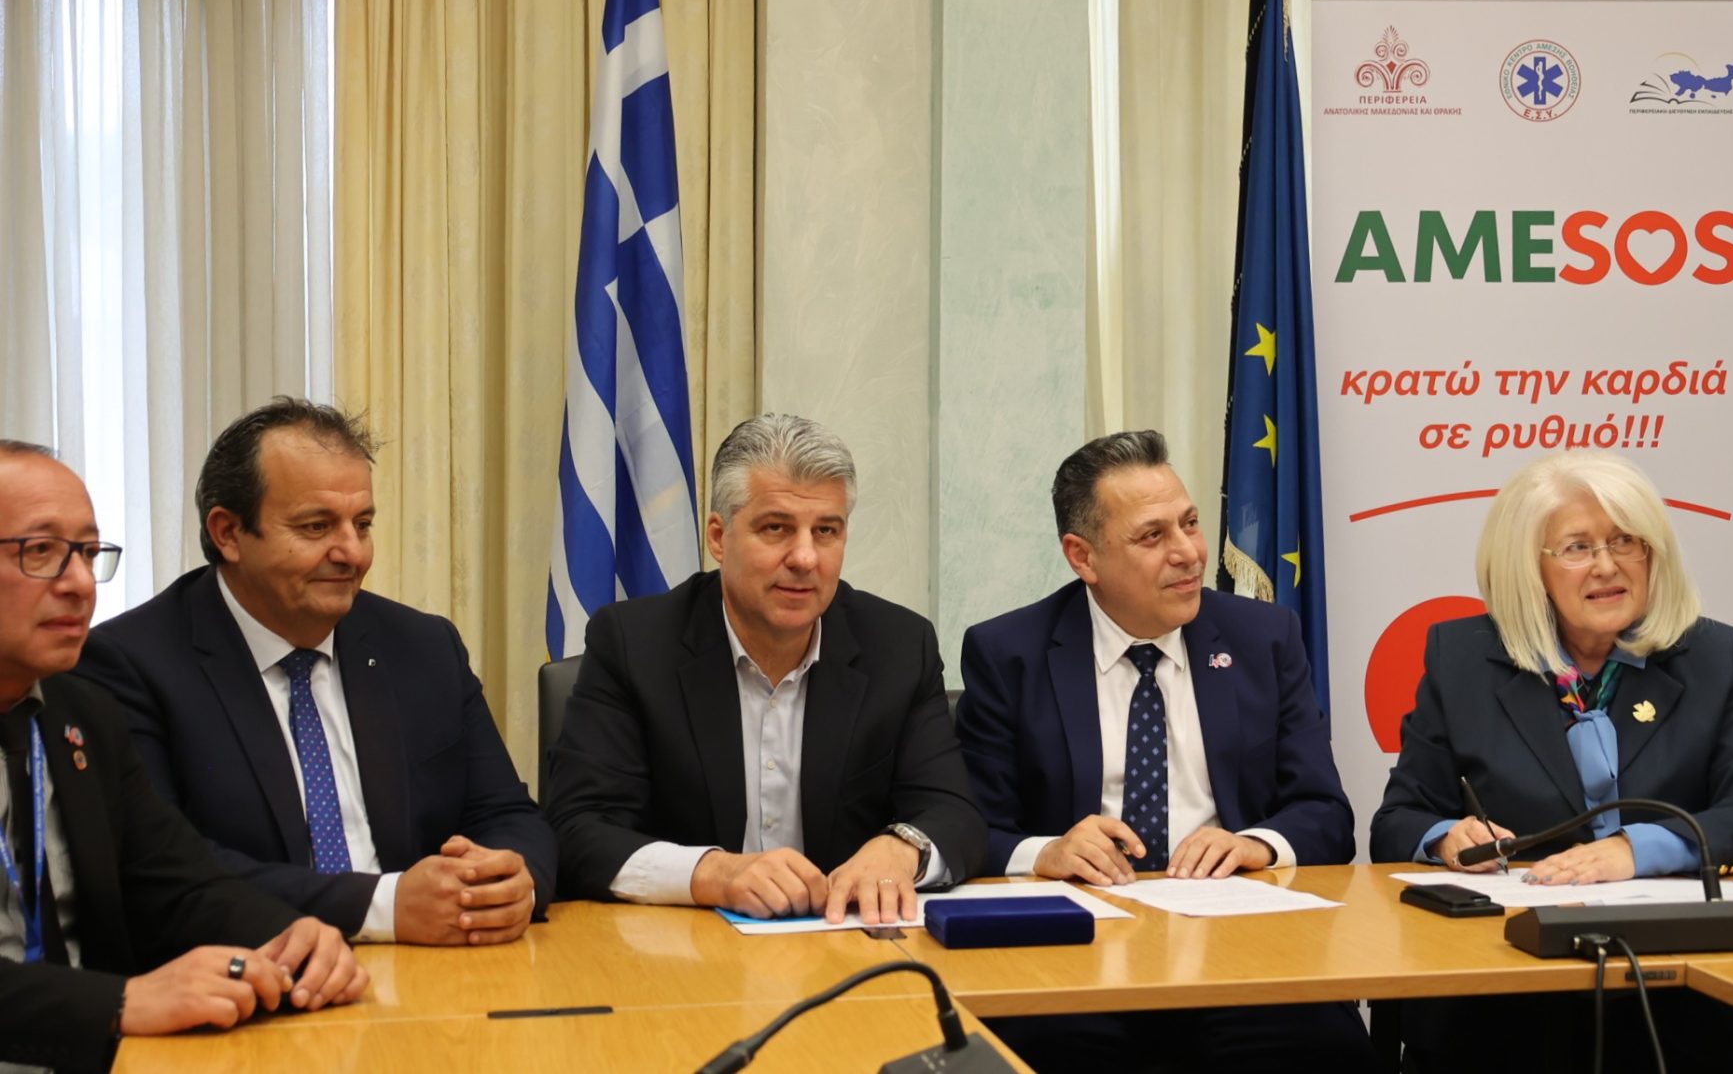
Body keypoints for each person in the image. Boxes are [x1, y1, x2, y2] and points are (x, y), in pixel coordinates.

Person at [953, 430, 1372, 1072]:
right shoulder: (1009, 653)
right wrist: (1048, 852)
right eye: (1152, 536)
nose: (1188, 553)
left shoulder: (1264, 638)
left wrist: (1256, 844)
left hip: (1240, 954)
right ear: (1082, 557)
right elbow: (967, 830)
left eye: (1191, 523)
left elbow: (1325, 813)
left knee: (1326, 1049)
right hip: (1076, 959)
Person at [1370, 449, 1733, 1072]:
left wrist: (1637, 849)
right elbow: (1397, 821)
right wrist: (1445, 838)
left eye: (1626, 541)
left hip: (1673, 1004)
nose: (1607, 565)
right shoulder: (1462, 660)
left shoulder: (1709, 656)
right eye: (1577, 547)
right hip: (1501, 1002)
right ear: (1529, 567)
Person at [75, 399, 555, 947]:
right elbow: (164, 873)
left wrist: (510, 883)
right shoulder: (130, 664)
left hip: (438, 962)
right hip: (256, 970)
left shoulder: (423, 647)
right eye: (316, 526)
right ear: (228, 533)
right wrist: (383, 906)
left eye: (362, 524)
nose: (352, 552)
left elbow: (508, 814)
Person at [0, 441, 365, 1072]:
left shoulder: (79, 714)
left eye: (87, 553)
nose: (80, 584)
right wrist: (120, 1002)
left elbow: (178, 884)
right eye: (41, 552)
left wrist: (290, 934)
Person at [545, 414, 986, 924]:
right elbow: (577, 828)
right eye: (776, 528)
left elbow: (957, 815)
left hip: (842, 943)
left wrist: (901, 848)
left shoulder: (898, 646)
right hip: (682, 944)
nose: (805, 558)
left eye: (826, 531)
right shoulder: (634, 645)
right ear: (718, 536)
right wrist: (713, 873)